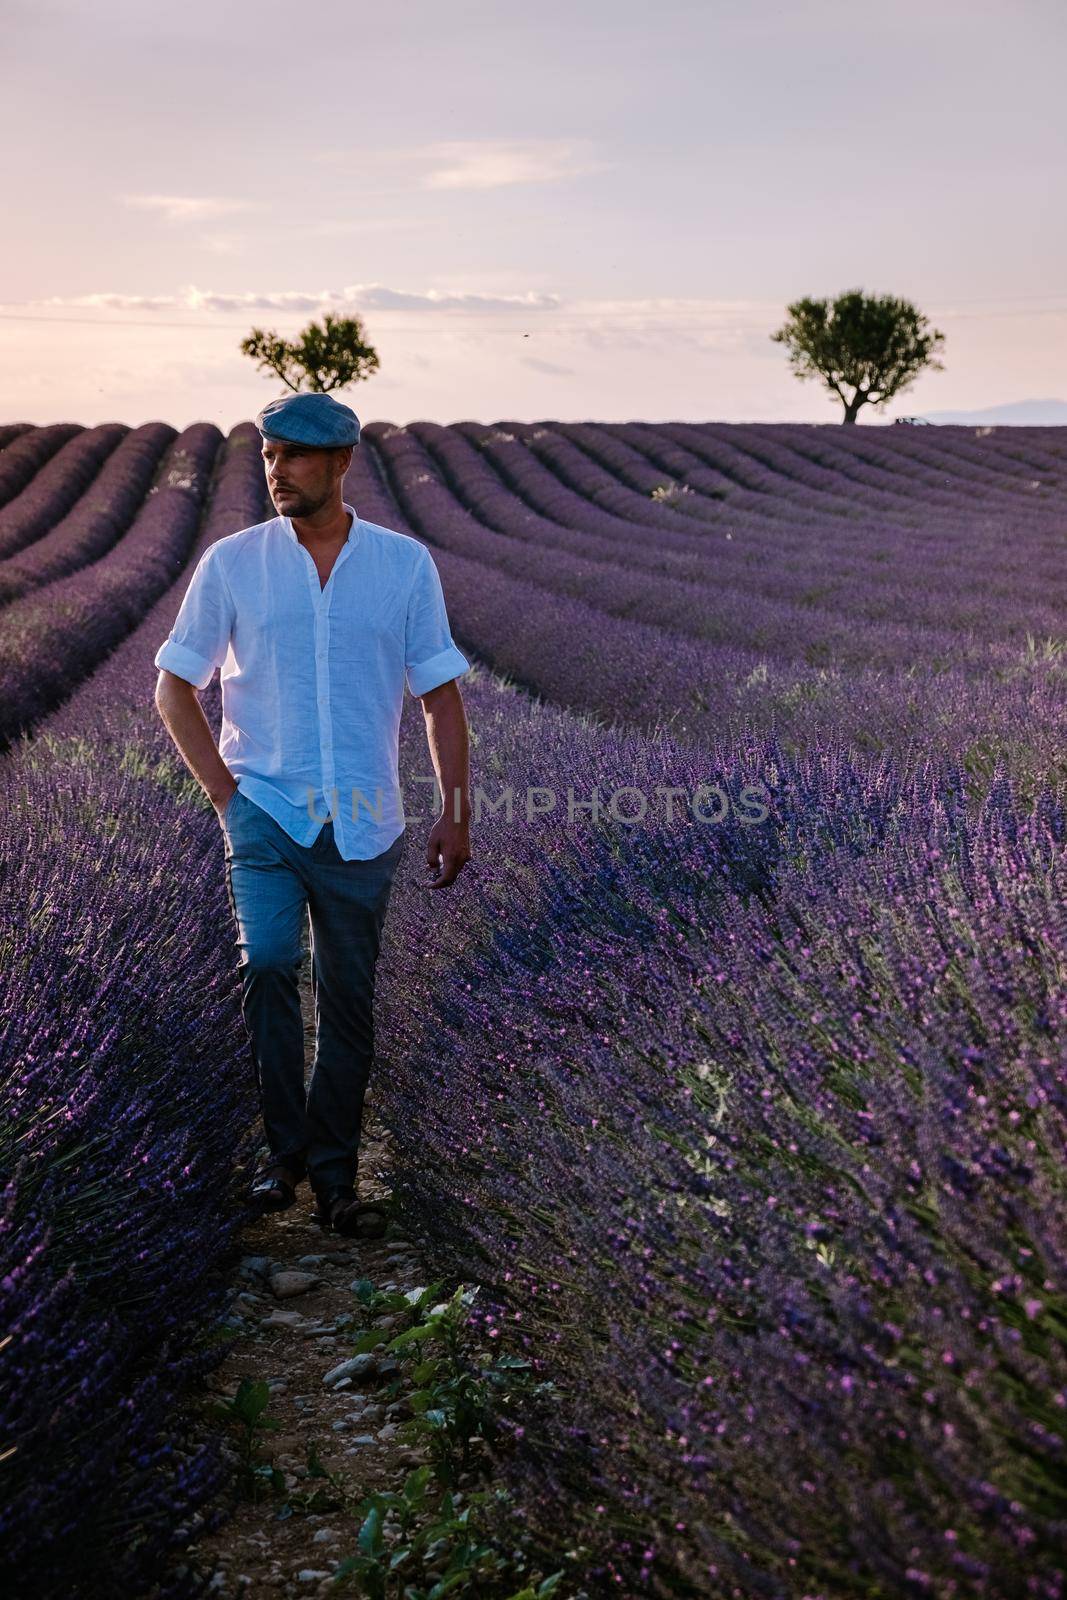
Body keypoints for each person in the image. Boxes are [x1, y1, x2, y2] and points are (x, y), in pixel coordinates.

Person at [153, 391, 472, 1236]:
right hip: (263, 811)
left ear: (340, 464)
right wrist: (228, 798)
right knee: (263, 966)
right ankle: (280, 1154)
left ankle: (335, 1181)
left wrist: (454, 813)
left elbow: (439, 698)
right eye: (267, 454)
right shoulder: (232, 563)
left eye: (294, 455)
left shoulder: (403, 566)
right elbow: (173, 687)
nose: (276, 470)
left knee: (349, 1001)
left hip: (365, 821)